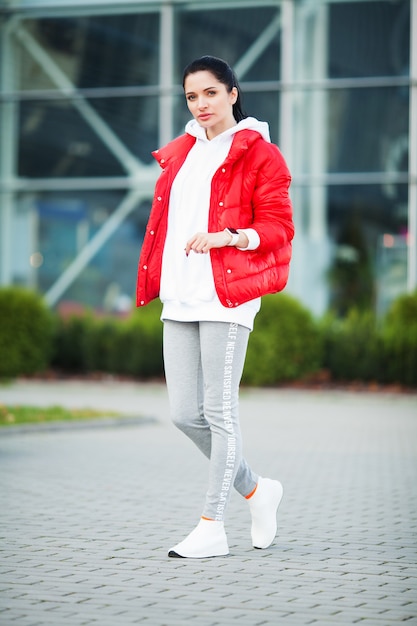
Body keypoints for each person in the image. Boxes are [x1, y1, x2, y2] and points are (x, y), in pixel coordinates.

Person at [136, 55, 294, 559]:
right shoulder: (180, 154)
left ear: (232, 93)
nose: (200, 104)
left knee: (220, 413)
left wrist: (232, 236)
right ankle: (256, 489)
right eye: (191, 96)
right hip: (179, 295)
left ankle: (212, 524)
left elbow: (279, 227)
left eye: (210, 93)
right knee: (186, 414)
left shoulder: (261, 154)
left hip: (227, 295)